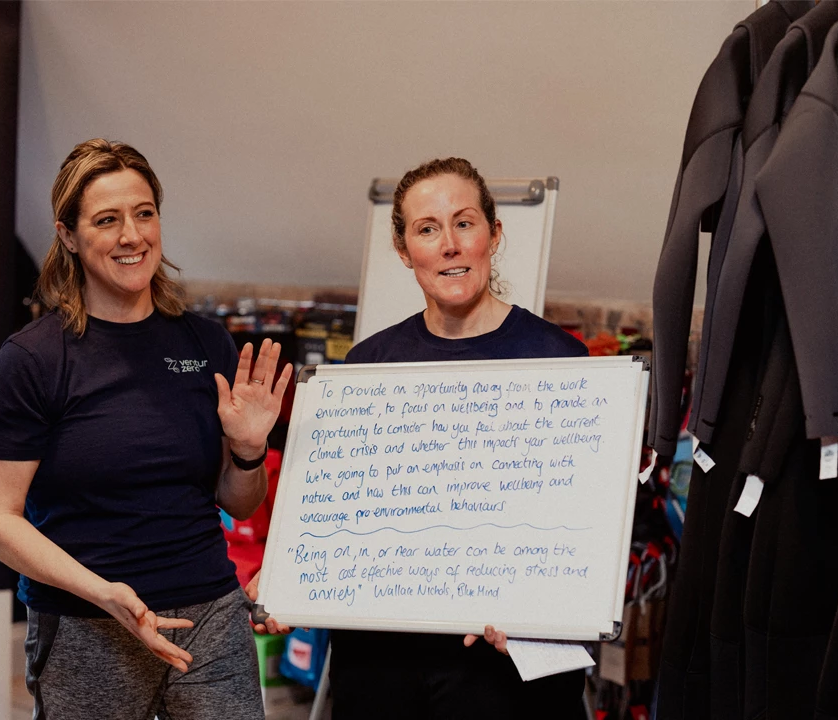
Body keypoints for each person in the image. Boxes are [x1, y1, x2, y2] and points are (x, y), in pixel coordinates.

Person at [248, 157, 588, 718]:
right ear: (405, 252)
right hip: (382, 668)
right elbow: (335, 511)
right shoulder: (365, 368)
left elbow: (586, 530)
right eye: (427, 229)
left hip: (506, 673)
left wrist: (550, 610)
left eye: (465, 223)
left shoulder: (562, 361)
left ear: (494, 236)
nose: (449, 244)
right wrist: (291, 572)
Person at [0, 139, 290, 720]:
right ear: (68, 235)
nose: (131, 235)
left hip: (210, 622)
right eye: (107, 219)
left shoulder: (205, 343)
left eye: (144, 213)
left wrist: (246, 451)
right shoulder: (34, 361)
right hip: (86, 627)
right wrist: (103, 592)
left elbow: (238, 505)